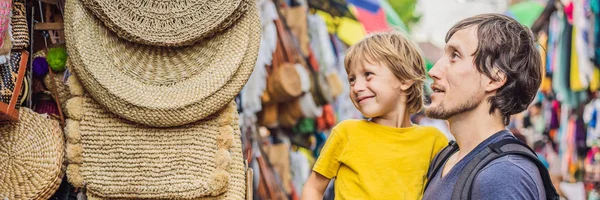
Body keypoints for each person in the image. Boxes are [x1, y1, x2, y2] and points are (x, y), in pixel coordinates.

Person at [301, 32, 448, 199]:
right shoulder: (346, 133)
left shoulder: (434, 141)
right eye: (352, 80)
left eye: (368, 75)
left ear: (405, 80)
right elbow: (313, 187)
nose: (356, 87)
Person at [422, 14, 553, 199]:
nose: (433, 71)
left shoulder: (503, 175)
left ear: (494, 78)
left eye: (455, 56)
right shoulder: (446, 159)